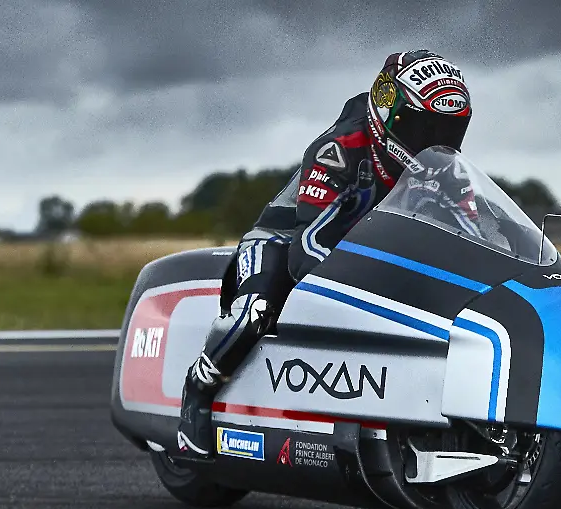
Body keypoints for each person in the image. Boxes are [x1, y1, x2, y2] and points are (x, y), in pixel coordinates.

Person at [177, 49, 476, 457]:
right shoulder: (340, 148)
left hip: (369, 257)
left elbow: (470, 235)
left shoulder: (448, 174)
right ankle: (197, 392)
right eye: (424, 128)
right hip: (283, 241)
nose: (434, 144)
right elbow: (305, 252)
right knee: (256, 311)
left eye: (447, 131)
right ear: (387, 111)